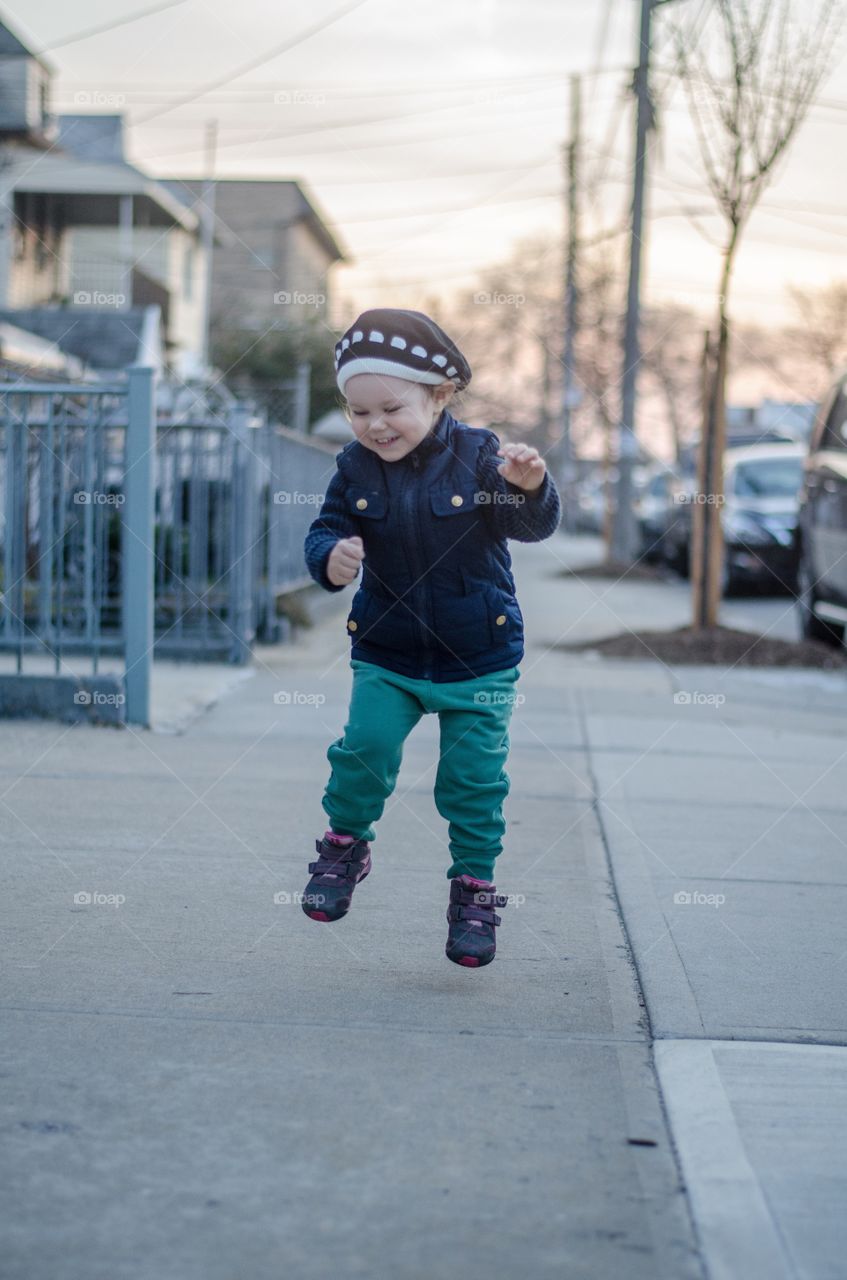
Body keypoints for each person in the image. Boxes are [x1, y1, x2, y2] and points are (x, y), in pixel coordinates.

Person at [302, 307, 561, 967]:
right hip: (388, 654)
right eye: (359, 413)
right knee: (364, 749)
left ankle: (473, 890)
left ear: (439, 394)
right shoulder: (356, 468)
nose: (374, 425)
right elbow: (325, 526)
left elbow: (527, 528)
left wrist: (528, 490)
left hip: (477, 657)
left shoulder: (480, 458)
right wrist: (328, 555)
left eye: (390, 408)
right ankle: (343, 847)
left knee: (471, 780)